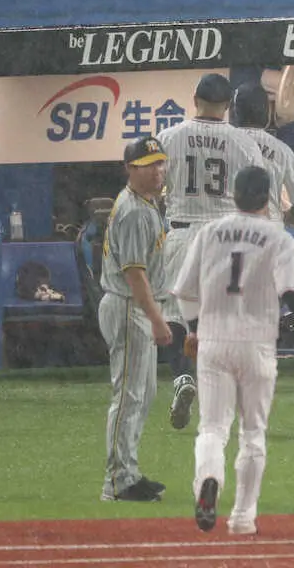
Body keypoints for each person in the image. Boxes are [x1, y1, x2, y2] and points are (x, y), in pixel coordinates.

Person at [174, 166, 294, 536]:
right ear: (267, 197)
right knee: (253, 433)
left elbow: (186, 291)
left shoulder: (209, 232)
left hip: (214, 341)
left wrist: (193, 329)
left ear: (234, 194)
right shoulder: (278, 237)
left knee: (212, 428)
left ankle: (208, 479)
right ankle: (242, 518)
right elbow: (290, 291)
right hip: (256, 343)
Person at [157, 74, 266, 431]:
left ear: (194, 99)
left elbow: (154, 189)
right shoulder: (243, 142)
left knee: (174, 317)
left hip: (183, 233)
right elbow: (257, 198)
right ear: (227, 106)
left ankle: (182, 378)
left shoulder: (168, 138)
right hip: (226, 237)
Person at [99, 136, 172, 503]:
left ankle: (129, 471)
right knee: (128, 396)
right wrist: (157, 319)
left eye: (160, 162)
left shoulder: (148, 203)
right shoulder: (134, 211)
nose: (158, 170)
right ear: (130, 169)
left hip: (136, 307)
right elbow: (135, 274)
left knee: (143, 396)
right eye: (149, 164)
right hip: (130, 306)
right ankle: (117, 482)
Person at [230, 83, 294, 222]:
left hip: (229, 229)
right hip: (269, 229)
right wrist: (286, 219)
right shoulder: (281, 149)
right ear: (265, 111)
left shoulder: (223, 142)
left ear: (235, 111)